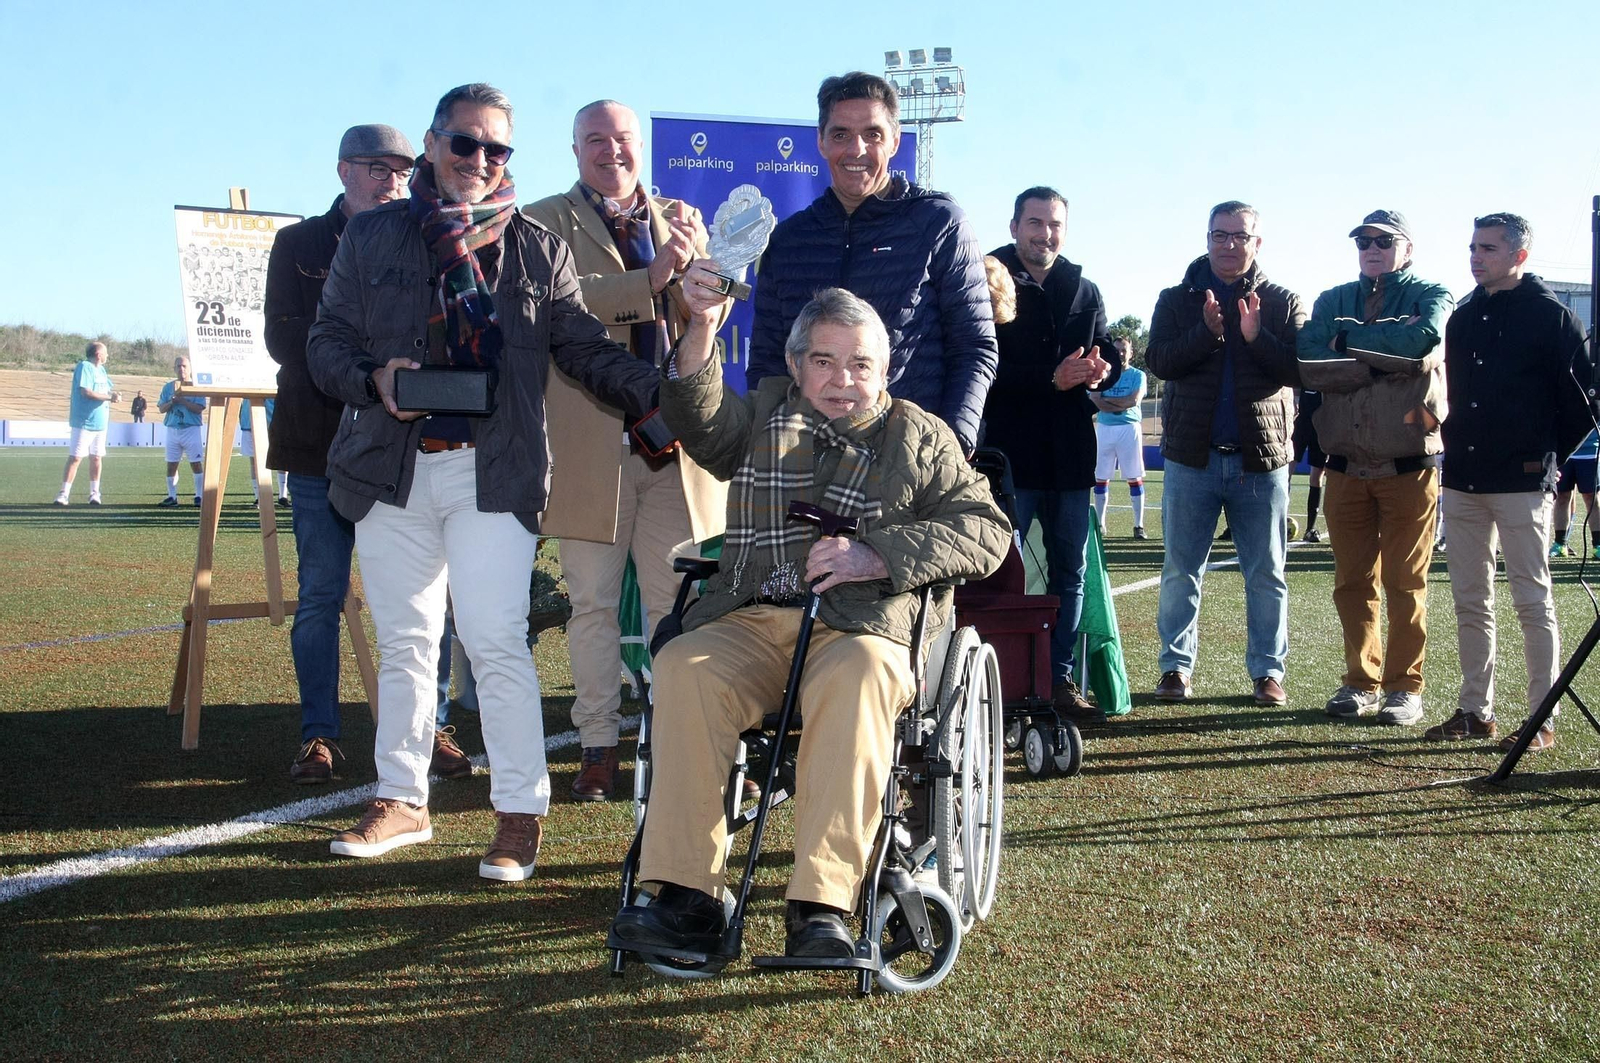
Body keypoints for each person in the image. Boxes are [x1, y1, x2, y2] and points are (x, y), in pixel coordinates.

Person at [307, 84, 661, 880]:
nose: (479, 159)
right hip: (389, 468)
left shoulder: (537, 247)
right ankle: (402, 798)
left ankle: (519, 813)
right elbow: (325, 343)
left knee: (496, 638)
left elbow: (582, 347)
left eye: (496, 148)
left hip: (494, 470)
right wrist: (375, 379)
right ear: (433, 144)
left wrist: (667, 393)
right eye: (464, 143)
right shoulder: (370, 236)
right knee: (406, 641)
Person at [610, 283, 1009, 959]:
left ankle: (822, 905)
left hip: (861, 625)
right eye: (824, 361)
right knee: (684, 667)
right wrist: (701, 326)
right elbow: (696, 415)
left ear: (885, 369)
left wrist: (874, 554)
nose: (842, 380)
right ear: (796, 366)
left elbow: (987, 531)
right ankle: (686, 897)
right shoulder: (763, 414)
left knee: (858, 677)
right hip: (751, 613)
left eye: (860, 363)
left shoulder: (921, 436)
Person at [523, 100, 728, 801]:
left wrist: (701, 281)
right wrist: (651, 277)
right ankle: (598, 746)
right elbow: (559, 306)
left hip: (674, 451)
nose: (612, 150)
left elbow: (709, 317)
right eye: (596, 139)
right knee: (593, 606)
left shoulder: (681, 218)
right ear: (574, 149)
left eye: (623, 138)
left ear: (641, 145)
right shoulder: (542, 221)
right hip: (591, 447)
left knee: (678, 603)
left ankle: (676, 737)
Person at [263, 123, 462, 783]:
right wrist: (371, 368)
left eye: (402, 170)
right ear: (343, 170)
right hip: (317, 448)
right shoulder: (297, 244)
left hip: (398, 449)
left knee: (426, 598)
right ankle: (317, 736)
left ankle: (432, 728)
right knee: (321, 594)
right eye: (378, 168)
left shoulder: (429, 236)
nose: (392, 181)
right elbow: (286, 340)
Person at [746, 71, 997, 455]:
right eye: (841, 134)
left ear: (894, 141)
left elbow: (974, 347)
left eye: (873, 134)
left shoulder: (940, 222)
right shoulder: (787, 240)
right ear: (821, 141)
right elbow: (767, 362)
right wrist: (773, 447)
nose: (856, 149)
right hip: (807, 460)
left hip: (911, 459)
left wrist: (951, 445)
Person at [1424, 213, 1594, 752]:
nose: (1476, 257)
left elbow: (1582, 405)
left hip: (1522, 483)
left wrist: (1542, 456)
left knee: (1532, 602)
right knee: (1470, 600)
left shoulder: (1553, 317)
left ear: (1519, 255)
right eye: (1473, 247)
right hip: (1463, 479)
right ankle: (1475, 711)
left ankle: (1541, 719)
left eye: (1489, 248)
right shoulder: (1462, 316)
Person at [1296, 210, 1453, 727]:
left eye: (1384, 241)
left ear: (1407, 249)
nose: (1372, 249)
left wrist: (1346, 343)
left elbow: (1422, 345)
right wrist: (1385, 358)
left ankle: (1404, 688)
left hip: (1409, 466)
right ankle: (1360, 682)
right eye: (1363, 241)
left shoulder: (1432, 294)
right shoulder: (1332, 299)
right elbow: (1309, 361)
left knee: (1406, 584)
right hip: (1344, 467)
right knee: (1352, 582)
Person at [1145, 201, 1305, 705]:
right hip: (1191, 458)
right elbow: (1159, 361)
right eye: (1221, 235)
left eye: (1240, 236)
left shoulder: (1282, 301)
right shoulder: (1176, 299)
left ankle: (1268, 673)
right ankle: (1175, 668)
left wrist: (1256, 338)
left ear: (1258, 242)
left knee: (1266, 574)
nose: (1230, 244)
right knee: (1180, 570)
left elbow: (1300, 370)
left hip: (1261, 461)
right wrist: (1206, 333)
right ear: (1207, 238)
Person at [981, 187, 1120, 719]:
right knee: (997, 568)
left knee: (1070, 573)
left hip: (1070, 457)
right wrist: (1050, 379)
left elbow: (1106, 349)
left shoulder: (1083, 286)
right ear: (1015, 226)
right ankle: (995, 680)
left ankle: (1057, 680)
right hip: (1008, 457)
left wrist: (1102, 369)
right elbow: (979, 367)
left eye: (1055, 224)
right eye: (1035, 222)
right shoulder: (985, 278)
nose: (1046, 234)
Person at [1091, 336, 1148, 539]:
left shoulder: (1138, 375)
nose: (1120, 354)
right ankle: (1100, 524)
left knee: (1134, 477)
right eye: (1116, 350)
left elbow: (1134, 400)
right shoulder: (1102, 374)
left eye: (1124, 350)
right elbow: (1096, 400)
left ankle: (1139, 526)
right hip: (1105, 428)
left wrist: (1108, 401)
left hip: (1129, 428)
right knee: (1100, 478)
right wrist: (1120, 402)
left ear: (1131, 352)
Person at [55, 342, 120, 506]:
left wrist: (114, 395)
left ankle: (94, 493)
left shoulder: (102, 370)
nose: (108, 356)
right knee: (76, 457)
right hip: (84, 421)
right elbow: (86, 392)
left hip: (101, 422)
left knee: (96, 457)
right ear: (98, 354)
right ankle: (64, 494)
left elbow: (106, 390)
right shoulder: (84, 367)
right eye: (106, 353)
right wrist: (109, 398)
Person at [156, 356, 206, 507]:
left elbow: (199, 408)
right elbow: (161, 408)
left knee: (196, 463)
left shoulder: (196, 386)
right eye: (178, 366)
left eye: (184, 366)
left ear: (190, 368)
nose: (181, 369)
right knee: (171, 464)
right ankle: (172, 496)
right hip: (173, 429)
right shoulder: (168, 387)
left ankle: (199, 496)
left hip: (191, 429)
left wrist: (183, 400)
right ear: (174, 369)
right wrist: (172, 401)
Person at [1549, 429, 1598, 560]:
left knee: (1591, 497)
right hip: (1564, 452)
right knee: (1562, 496)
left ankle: (1598, 545)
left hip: (1591, 452)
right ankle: (1560, 544)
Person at [1290, 390, 1327, 542]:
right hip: (1301, 423)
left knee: (1317, 477)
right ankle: (1276, 522)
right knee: (1286, 472)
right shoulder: (1305, 376)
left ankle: (1310, 528)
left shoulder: (1327, 378)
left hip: (1321, 426)